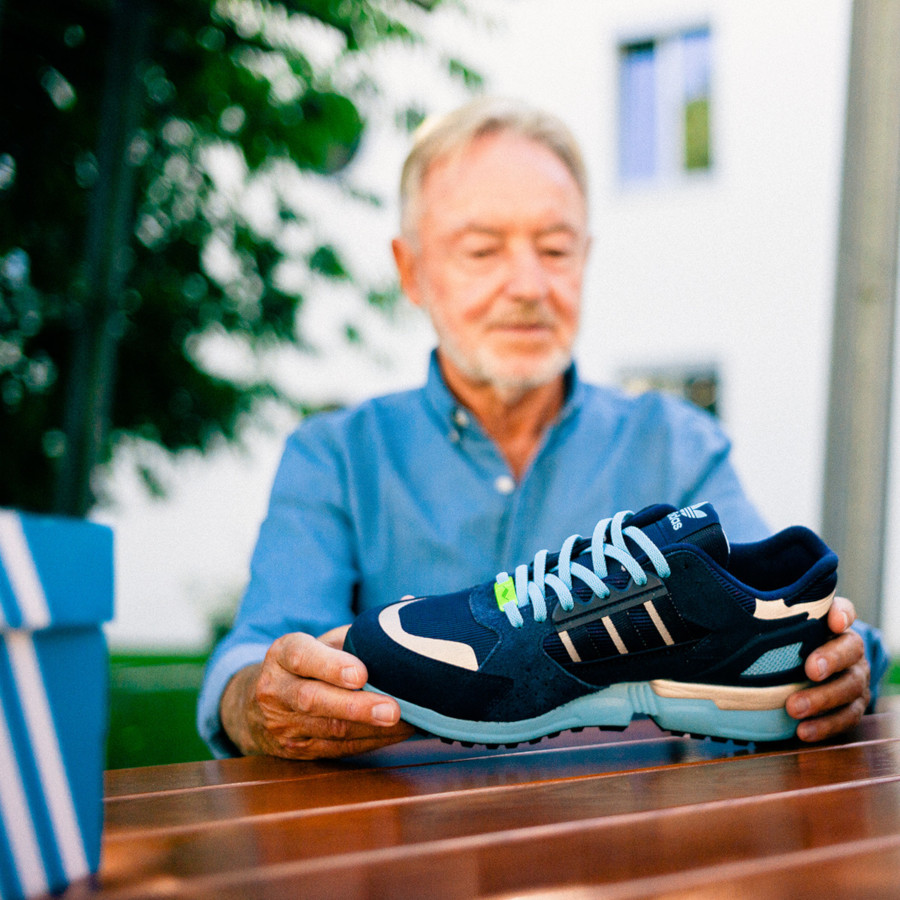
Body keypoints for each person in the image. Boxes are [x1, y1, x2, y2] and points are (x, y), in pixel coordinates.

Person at [198, 96, 886, 760]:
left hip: (643, 844)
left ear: (584, 259)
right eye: (482, 250)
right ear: (412, 270)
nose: (528, 284)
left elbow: (782, 617)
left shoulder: (676, 442)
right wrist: (258, 701)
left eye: (554, 250)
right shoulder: (336, 459)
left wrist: (842, 662)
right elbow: (254, 655)